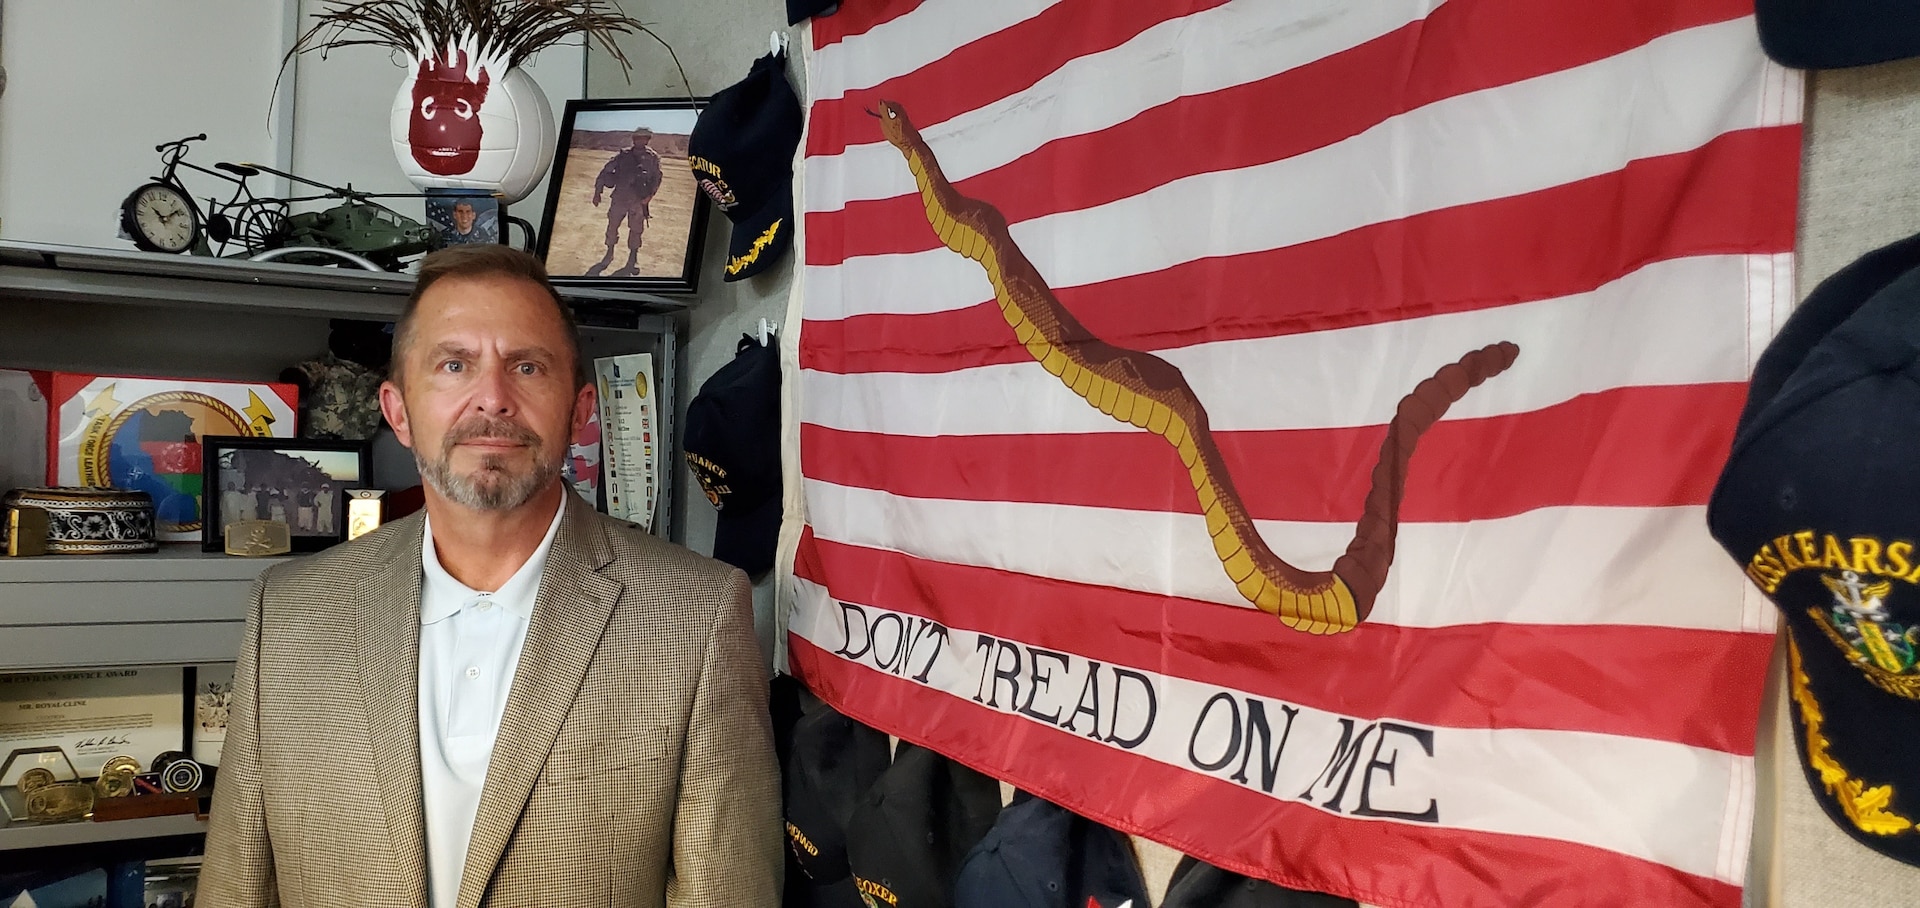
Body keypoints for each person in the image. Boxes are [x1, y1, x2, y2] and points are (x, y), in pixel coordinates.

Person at [198, 245, 780, 907]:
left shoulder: (695, 615)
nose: (494, 399)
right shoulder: (291, 614)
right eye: (454, 365)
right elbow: (237, 884)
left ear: (579, 408)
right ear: (398, 411)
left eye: (527, 366)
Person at [586, 128, 663, 277]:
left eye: (643, 138)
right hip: (619, 198)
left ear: (647, 140)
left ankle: (633, 258)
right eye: (637, 138)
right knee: (612, 226)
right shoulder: (623, 155)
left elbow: (657, 178)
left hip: (638, 201)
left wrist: (650, 197)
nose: (640, 141)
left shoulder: (652, 158)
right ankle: (609, 253)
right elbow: (605, 171)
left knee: (636, 230)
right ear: (633, 139)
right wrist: (597, 192)